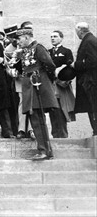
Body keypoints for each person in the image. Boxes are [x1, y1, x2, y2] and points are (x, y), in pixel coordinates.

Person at [16, 27, 58, 160]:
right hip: (29, 87)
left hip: (38, 87)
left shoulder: (39, 48)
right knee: (34, 119)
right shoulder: (26, 51)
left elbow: (50, 65)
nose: (18, 42)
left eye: (20, 39)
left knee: (39, 119)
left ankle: (45, 150)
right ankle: (44, 150)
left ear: (27, 37)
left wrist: (45, 81)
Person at [62, 22, 97, 136]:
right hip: (89, 81)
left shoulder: (89, 41)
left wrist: (75, 65)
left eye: (76, 31)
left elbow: (93, 62)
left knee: (93, 107)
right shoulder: (90, 39)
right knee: (91, 108)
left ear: (80, 30)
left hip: (90, 82)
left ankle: (96, 132)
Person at [48, 30, 75, 138]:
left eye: (55, 36)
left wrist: (60, 71)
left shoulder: (66, 51)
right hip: (50, 84)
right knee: (52, 109)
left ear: (61, 38)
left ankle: (63, 135)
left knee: (62, 109)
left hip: (61, 85)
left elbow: (70, 65)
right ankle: (55, 135)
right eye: (51, 36)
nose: (52, 38)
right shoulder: (47, 52)